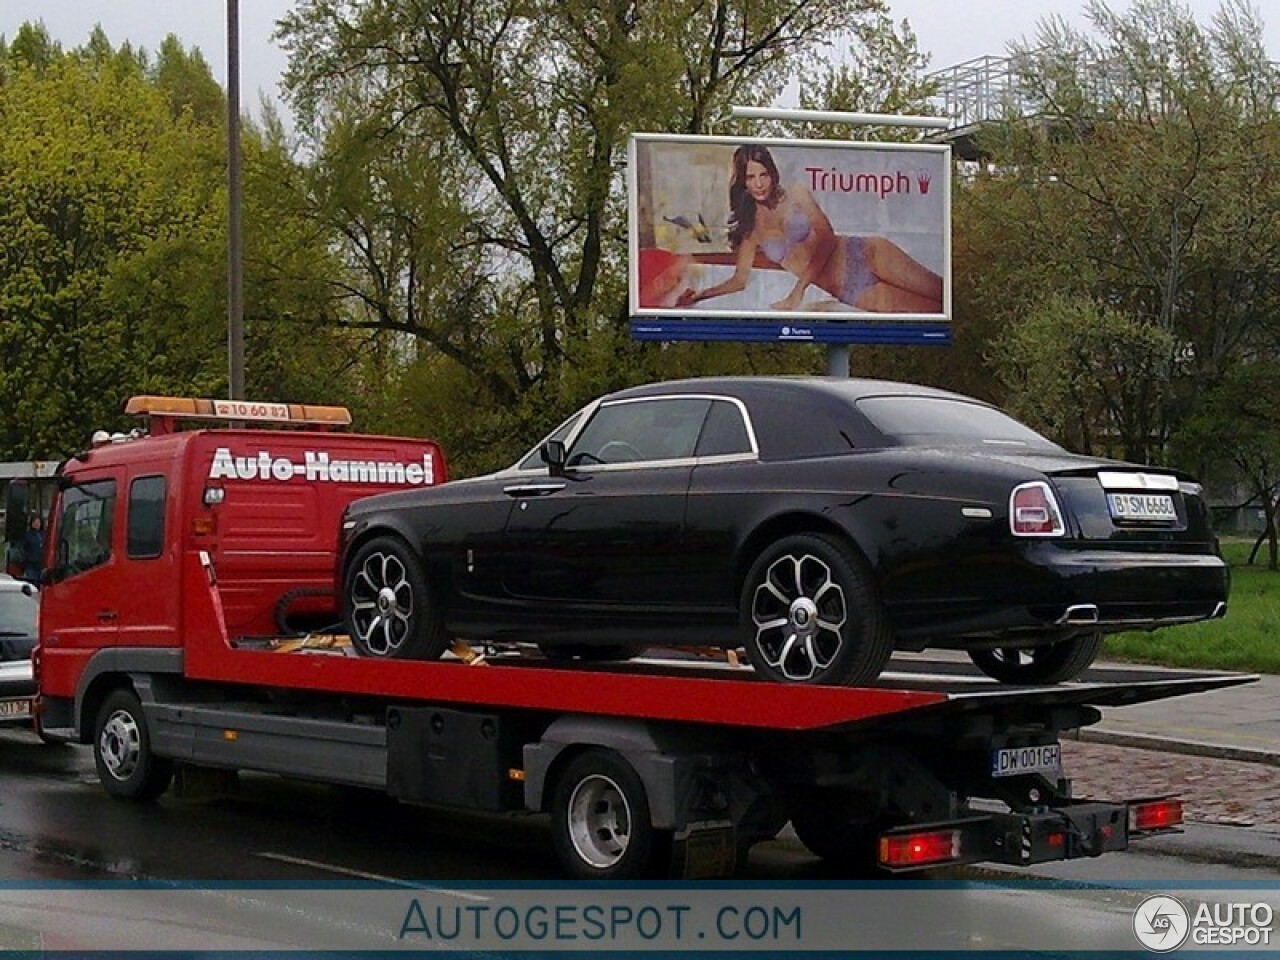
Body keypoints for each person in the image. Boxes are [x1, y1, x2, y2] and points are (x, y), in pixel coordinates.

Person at [677, 144, 943, 314]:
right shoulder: (751, 230)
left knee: (944, 296)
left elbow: (826, 239)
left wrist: (797, 292)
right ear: (742, 183)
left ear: (772, 173)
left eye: (763, 174)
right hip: (849, 286)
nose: (759, 184)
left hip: (866, 251)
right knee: (928, 311)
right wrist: (700, 295)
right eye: (750, 177)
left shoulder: (796, 194)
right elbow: (739, 280)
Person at [21, 516, 44, 583]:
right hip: (31, 565)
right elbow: (23, 549)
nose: (37, 524)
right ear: (32, 523)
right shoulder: (28, 535)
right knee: (32, 582)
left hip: (41, 565)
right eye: (35, 522)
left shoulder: (44, 534)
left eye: (38, 522)